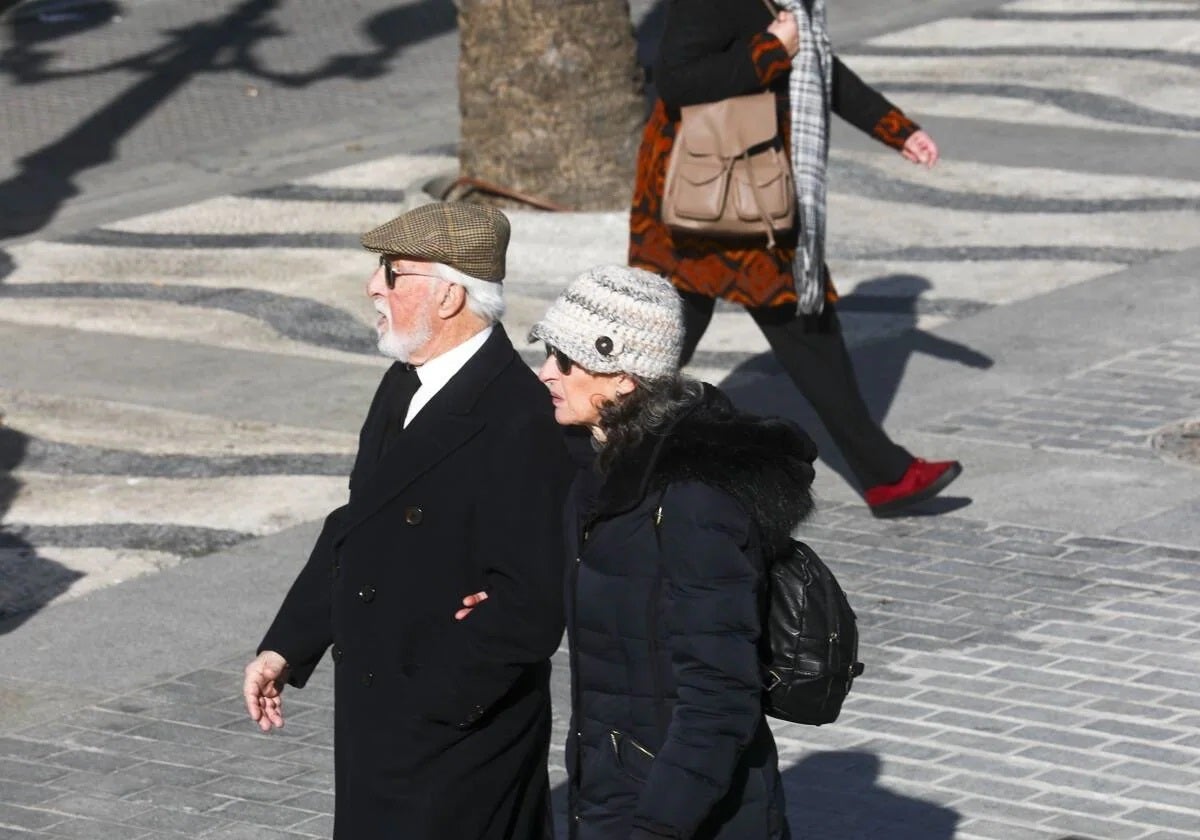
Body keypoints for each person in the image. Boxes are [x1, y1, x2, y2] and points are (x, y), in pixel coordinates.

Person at [242, 202, 574, 839]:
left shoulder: (519, 418)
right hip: (381, 721)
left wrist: (438, 699)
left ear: (448, 295)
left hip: (458, 740)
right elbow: (355, 523)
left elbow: (531, 605)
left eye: (392, 272)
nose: (374, 286)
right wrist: (288, 642)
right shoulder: (404, 383)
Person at [629, 0, 960, 517]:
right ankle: (585, 438)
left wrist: (897, 129)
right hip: (699, 190)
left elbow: (821, 69)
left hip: (748, 186)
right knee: (708, 326)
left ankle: (885, 474)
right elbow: (678, 80)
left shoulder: (790, 3)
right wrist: (769, 50)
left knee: (734, 323)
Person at [532, 265, 817, 837]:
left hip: (682, 812)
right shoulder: (599, 472)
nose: (545, 373)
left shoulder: (694, 502)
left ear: (623, 378)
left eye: (565, 359)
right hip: (615, 788)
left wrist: (659, 826)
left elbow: (719, 696)